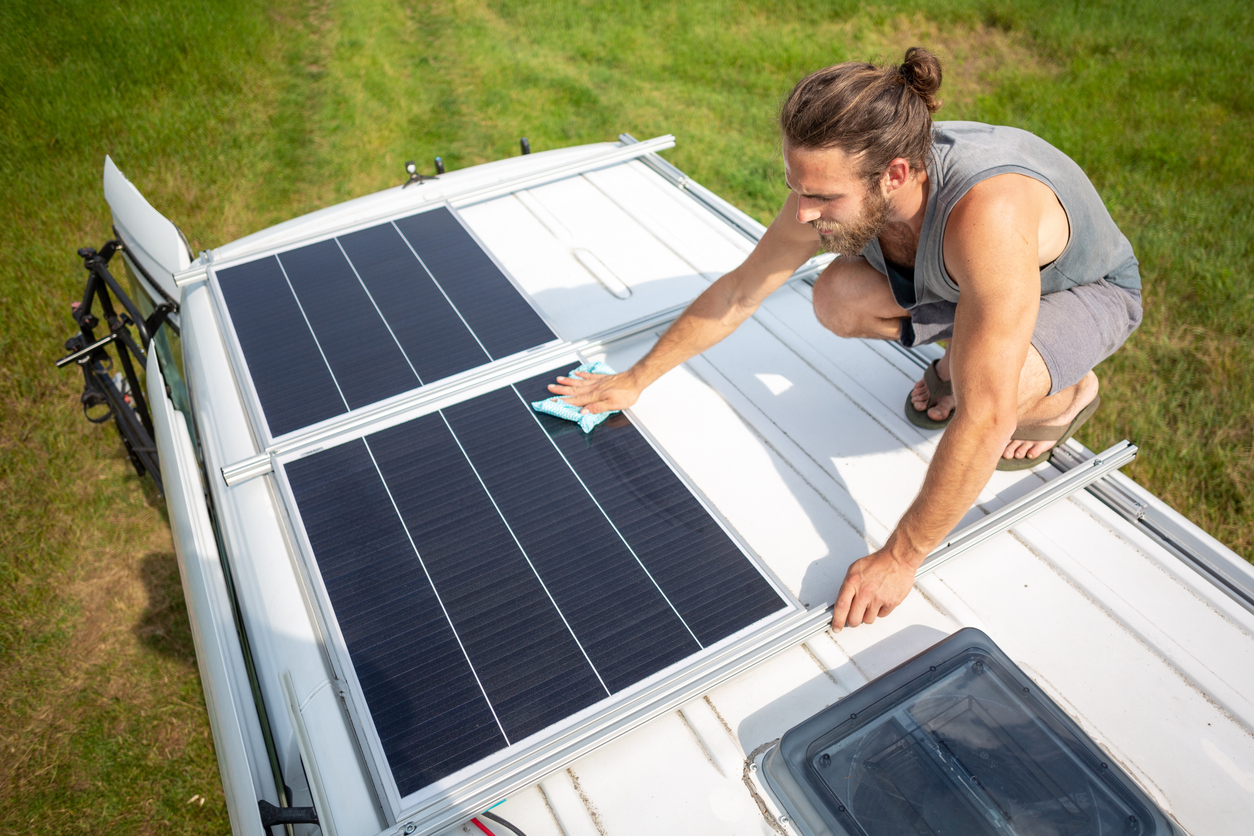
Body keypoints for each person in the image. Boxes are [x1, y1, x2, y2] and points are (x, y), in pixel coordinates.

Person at [547, 47, 1142, 632]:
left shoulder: (989, 215)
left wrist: (900, 558)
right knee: (836, 298)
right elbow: (740, 292)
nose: (803, 214)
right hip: (983, 283)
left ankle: (1067, 393)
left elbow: (986, 419)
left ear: (897, 175)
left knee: (991, 391)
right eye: (797, 187)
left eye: (822, 198)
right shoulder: (847, 175)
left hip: (1085, 292)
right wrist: (635, 378)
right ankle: (977, 348)